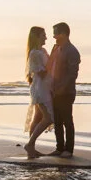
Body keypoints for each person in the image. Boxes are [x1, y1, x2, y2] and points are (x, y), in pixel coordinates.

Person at [47, 21, 80, 158]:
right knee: (57, 121)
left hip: (66, 92)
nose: (54, 36)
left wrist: (61, 88)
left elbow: (73, 74)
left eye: (56, 33)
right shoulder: (56, 49)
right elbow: (50, 67)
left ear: (64, 34)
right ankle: (59, 147)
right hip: (54, 91)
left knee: (67, 120)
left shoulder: (72, 51)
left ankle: (69, 149)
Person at [23, 26, 53, 158]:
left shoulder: (43, 51)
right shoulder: (34, 53)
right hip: (40, 88)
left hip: (44, 87)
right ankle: (30, 144)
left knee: (38, 117)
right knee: (49, 118)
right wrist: (52, 66)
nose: (46, 37)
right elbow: (41, 73)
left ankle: (31, 148)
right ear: (37, 37)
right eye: (43, 35)